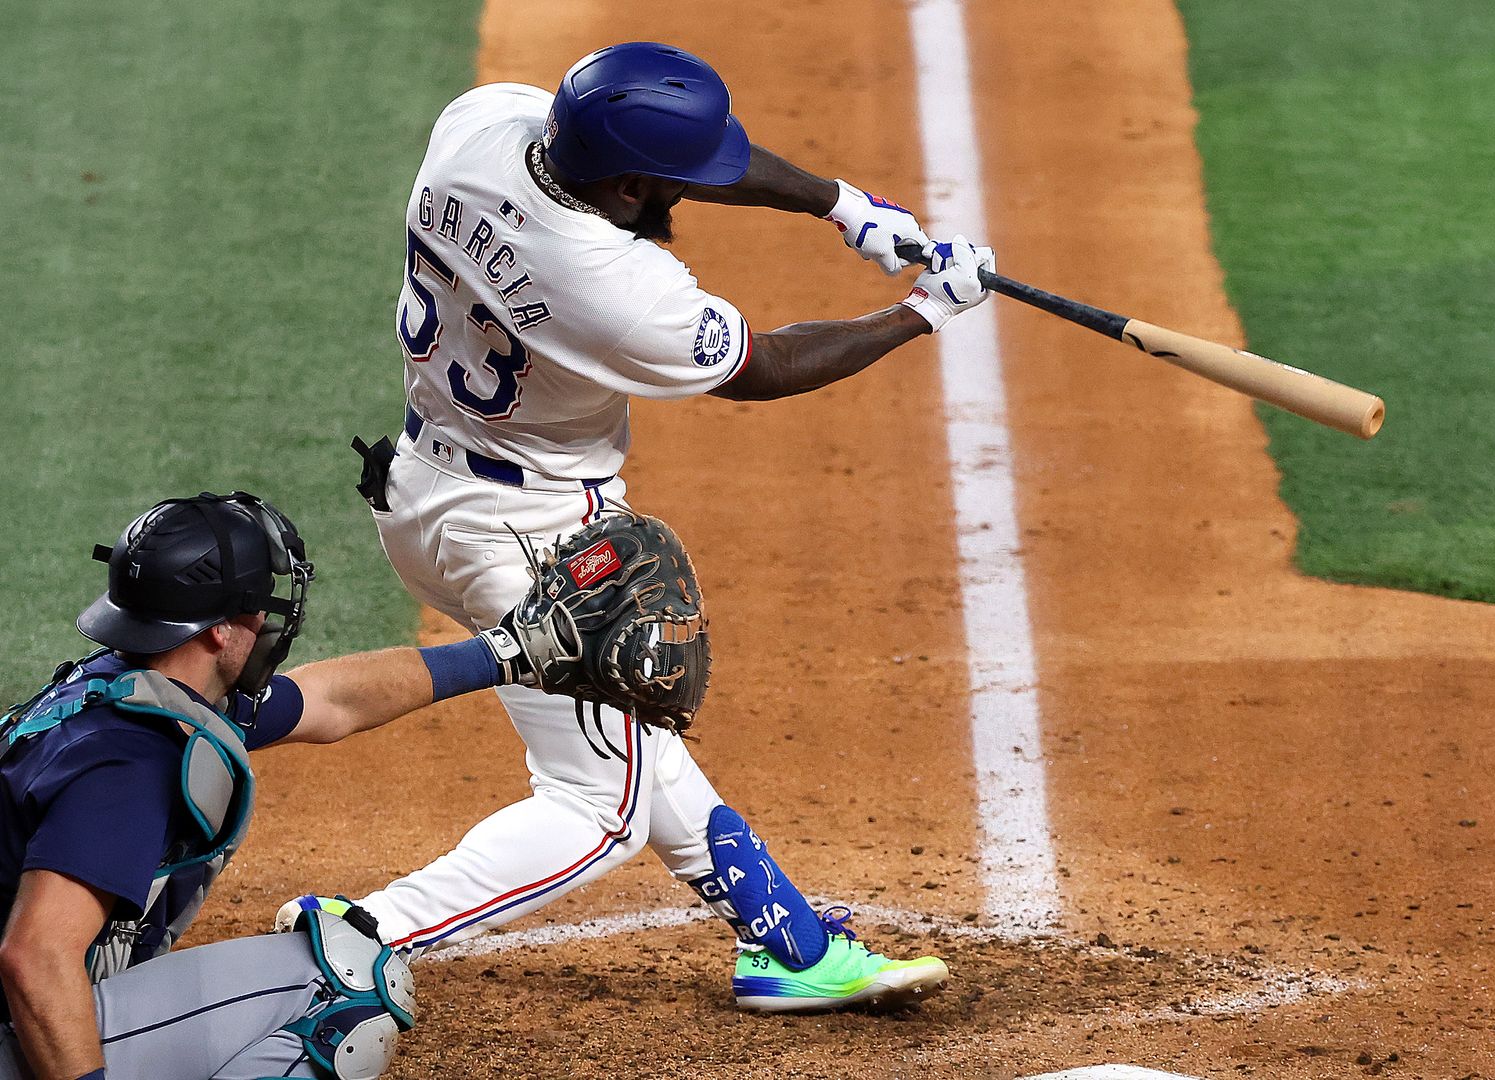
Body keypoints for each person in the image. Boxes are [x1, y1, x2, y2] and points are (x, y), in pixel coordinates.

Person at [345, 40, 992, 1012]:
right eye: (673, 185)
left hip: (420, 493)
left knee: (630, 730)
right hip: (536, 544)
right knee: (597, 809)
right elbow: (764, 368)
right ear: (630, 183)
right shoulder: (612, 290)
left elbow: (631, 152)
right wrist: (923, 312)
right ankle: (357, 936)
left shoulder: (480, 129)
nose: (688, 197)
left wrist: (840, 205)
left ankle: (789, 943)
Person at [0, 492, 538, 1079]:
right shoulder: (129, 763)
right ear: (214, 632)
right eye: (257, 607)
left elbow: (332, 698)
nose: (267, 622)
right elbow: (34, 957)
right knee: (338, 986)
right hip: (17, 1025)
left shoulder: (127, 684)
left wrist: (509, 652)